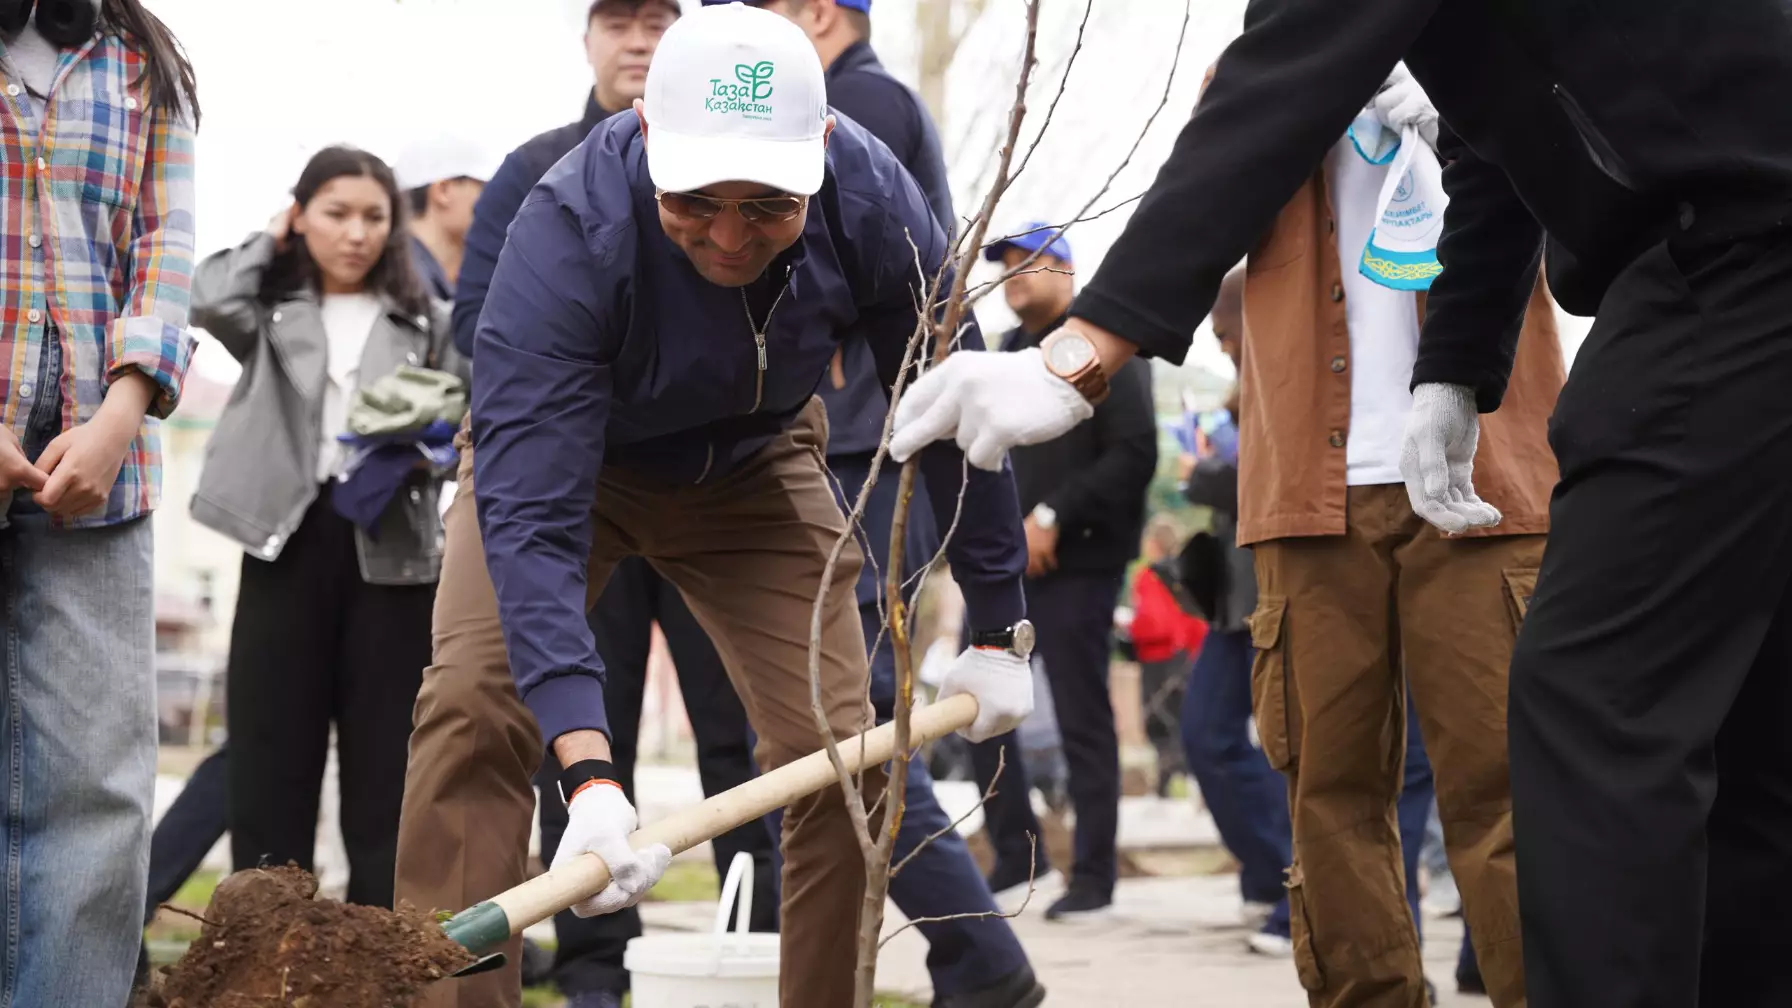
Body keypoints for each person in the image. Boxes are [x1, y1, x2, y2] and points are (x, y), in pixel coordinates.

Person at [890, 4, 1792, 1006]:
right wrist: (1453, 368)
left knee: (1586, 719)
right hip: (1342, 475)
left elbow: (1279, 93)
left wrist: (1087, 345)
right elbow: (1473, 149)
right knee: (1742, 734)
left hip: (1722, 265)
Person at [405, 8, 1035, 1008]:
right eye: (695, 201)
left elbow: (957, 407)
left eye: (769, 205)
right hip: (574, 464)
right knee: (474, 704)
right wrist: (590, 775)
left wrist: (999, 625)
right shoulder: (567, 231)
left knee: (844, 753)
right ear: (647, 137)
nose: (731, 236)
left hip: (753, 460)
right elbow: (532, 522)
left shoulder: (872, 199)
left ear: (820, 151)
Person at [396, 6, 781, 1007]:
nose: (639, 38)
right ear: (587, 39)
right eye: (618, 18)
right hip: (573, 481)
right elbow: (481, 326)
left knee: (741, 726)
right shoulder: (536, 174)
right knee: (533, 709)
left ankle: (761, 945)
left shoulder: (774, 178)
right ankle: (581, 964)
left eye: (660, 18)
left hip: (722, 478)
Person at [1200, 70, 1560, 1006]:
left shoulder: (1503, 43)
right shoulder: (1266, 65)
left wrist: (1481, 114)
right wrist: (1307, 87)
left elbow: (1589, 206)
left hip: (1486, 470)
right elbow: (1200, 211)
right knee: (1328, 795)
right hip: (1308, 490)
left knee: (1514, 787)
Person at [732, 0, 1045, 1002]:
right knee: (842, 723)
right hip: (869, 452)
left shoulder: (848, 107)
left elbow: (900, 311)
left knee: (844, 727)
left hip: (861, 461)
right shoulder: (882, 103)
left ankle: (983, 963)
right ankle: (978, 962)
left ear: (816, 14)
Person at [188, 146, 462, 910]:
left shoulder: (428, 319)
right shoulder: (271, 310)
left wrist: (425, 448)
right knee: (271, 750)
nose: (356, 233)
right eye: (335, 213)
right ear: (301, 214)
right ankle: (266, 936)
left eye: (374, 216)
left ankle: (381, 943)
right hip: (285, 538)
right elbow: (206, 296)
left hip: (392, 546)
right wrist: (272, 237)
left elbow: (466, 416)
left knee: (387, 756)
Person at [0, 1, 197, 1002]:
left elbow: (164, 244)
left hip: (100, 470)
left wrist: (123, 413)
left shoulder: (142, 61)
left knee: (101, 794)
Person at [965, 223, 1156, 921]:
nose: (1014, 274)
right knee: (980, 708)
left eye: (1032, 262)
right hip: (1001, 568)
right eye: (1007, 264)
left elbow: (1134, 452)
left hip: (1079, 560)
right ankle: (1016, 857)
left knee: (1082, 717)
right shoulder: (1001, 357)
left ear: (1069, 271)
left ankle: (1094, 879)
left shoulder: (1103, 344)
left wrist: (1050, 516)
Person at [1171, 277, 1296, 958]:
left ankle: (1295, 889)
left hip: (1284, 590)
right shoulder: (1240, 400)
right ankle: (1271, 871)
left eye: (1225, 335)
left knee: (1294, 748)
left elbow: (1271, 479)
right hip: (1234, 602)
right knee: (1206, 735)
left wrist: (1202, 473)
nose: (1223, 350)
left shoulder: (1296, 379)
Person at [1129, 515, 1205, 797]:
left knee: (1159, 722)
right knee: (1182, 719)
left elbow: (1153, 621)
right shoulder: (1186, 572)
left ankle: (1169, 781)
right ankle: (1188, 781)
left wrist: (1131, 629)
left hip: (1158, 658)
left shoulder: (1150, 576)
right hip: (1187, 656)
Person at [396, 136, 496, 303]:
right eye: (486, 188)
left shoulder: (414, 273)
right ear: (443, 191)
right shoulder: (402, 280)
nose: (497, 201)